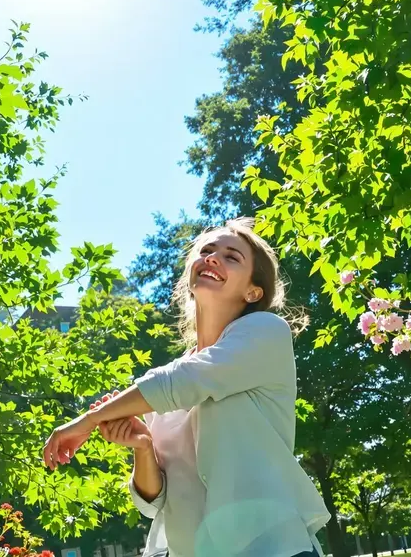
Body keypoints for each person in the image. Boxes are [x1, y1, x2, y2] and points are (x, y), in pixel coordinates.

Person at [41, 218, 330, 557]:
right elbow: (155, 501)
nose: (212, 258)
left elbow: (186, 381)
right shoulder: (165, 381)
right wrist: (143, 447)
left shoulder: (265, 332)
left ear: (253, 291)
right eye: (206, 251)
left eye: (231, 257)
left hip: (272, 546)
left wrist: (88, 420)